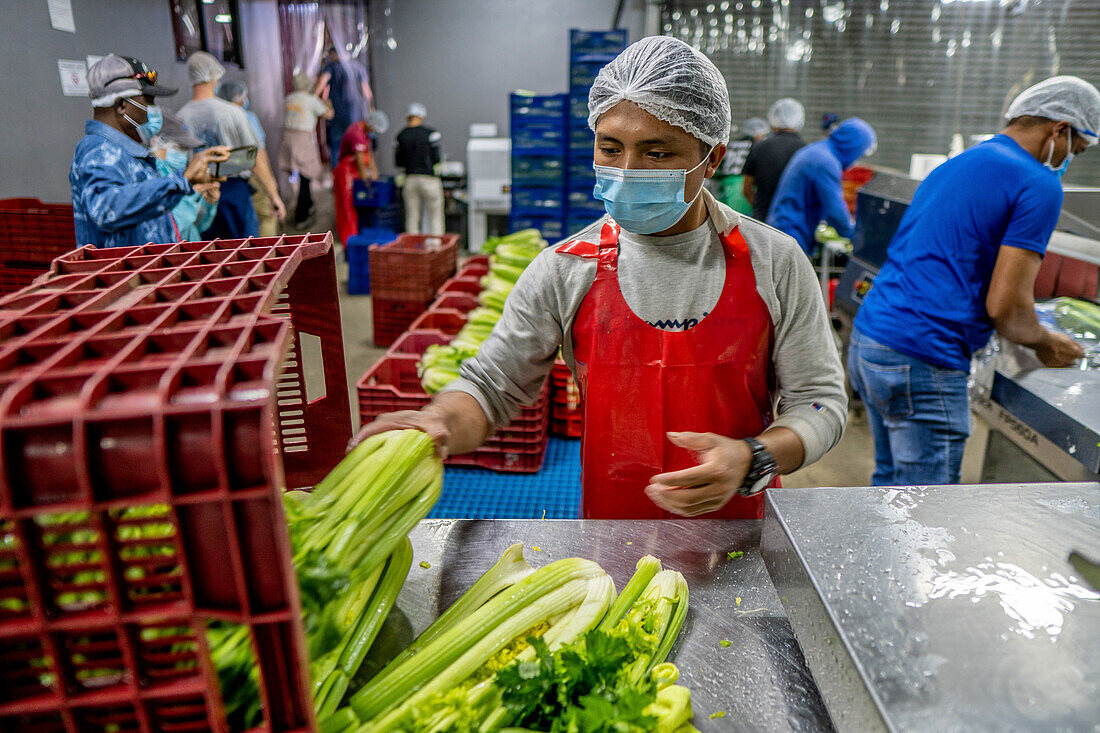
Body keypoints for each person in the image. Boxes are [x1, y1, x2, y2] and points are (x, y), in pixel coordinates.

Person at [356, 37, 847, 520]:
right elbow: (491, 386)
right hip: (612, 532)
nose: (628, 170)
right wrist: (437, 421)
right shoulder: (566, 268)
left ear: (712, 158)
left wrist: (754, 457)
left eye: (657, 154)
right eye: (611, 148)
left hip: (743, 531)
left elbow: (821, 402)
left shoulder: (774, 261)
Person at [850, 76, 1097, 486]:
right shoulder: (1039, 184)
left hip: (872, 340)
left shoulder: (962, 162)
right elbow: (1008, 309)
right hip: (925, 357)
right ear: (1060, 130)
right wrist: (1048, 342)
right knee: (926, 514)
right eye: (1078, 148)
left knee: (892, 491)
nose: (1072, 157)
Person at [70, 54, 227, 248]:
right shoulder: (99, 151)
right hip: (122, 275)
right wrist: (181, 179)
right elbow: (106, 208)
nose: (153, 109)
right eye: (148, 101)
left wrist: (190, 187)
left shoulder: (127, 150)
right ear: (121, 105)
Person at [177, 52, 285, 239]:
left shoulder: (180, 118)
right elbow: (255, 156)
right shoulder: (232, 113)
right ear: (214, 76)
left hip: (197, 196)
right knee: (244, 255)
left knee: (209, 256)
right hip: (233, 192)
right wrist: (273, 194)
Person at [766, 117, 876, 254]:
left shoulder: (818, 150)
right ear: (853, 147)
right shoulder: (826, 163)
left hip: (784, 229)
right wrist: (859, 240)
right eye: (860, 155)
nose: (857, 161)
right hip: (790, 233)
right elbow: (835, 211)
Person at [216, 80, 278, 237]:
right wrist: (272, 187)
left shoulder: (217, 117)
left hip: (226, 182)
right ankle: (267, 258)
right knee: (267, 216)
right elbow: (258, 155)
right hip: (253, 175)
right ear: (238, 98)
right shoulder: (246, 117)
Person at [151, 110, 220, 242]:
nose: (182, 156)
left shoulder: (178, 178)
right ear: (155, 144)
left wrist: (207, 204)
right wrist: (191, 198)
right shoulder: (151, 183)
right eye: (178, 148)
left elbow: (194, 228)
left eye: (185, 150)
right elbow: (168, 231)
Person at [279, 73, 334, 227]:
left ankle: (306, 205)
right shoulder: (312, 101)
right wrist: (326, 102)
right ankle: (301, 216)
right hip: (302, 140)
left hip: (285, 139)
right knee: (306, 176)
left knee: (301, 178)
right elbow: (329, 115)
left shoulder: (289, 98)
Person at [742, 98, 807, 222]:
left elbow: (747, 189)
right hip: (794, 222)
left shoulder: (759, 147)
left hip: (763, 221)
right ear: (800, 119)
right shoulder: (806, 150)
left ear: (774, 119)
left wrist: (760, 209)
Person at [333, 110, 389, 245]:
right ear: (371, 124)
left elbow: (367, 155)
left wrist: (374, 172)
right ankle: (350, 243)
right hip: (345, 173)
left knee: (356, 209)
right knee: (347, 210)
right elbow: (359, 161)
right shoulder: (356, 133)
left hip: (354, 174)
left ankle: (357, 237)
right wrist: (365, 181)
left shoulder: (364, 133)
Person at [314, 47, 372, 166]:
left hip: (339, 115)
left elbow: (322, 82)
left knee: (337, 147)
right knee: (357, 145)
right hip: (357, 115)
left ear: (333, 55)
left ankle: (338, 175)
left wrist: (312, 97)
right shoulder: (358, 67)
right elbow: (367, 92)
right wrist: (370, 108)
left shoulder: (332, 67)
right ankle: (357, 176)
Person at [395, 103, 444, 235]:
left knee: (412, 216)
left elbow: (398, 162)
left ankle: (413, 249)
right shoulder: (431, 134)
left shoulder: (401, 136)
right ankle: (436, 246)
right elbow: (436, 158)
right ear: (422, 116)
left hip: (410, 180)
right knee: (435, 215)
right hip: (429, 179)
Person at [711, 117, 768, 215]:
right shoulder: (759, 147)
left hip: (726, 186)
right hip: (745, 185)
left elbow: (716, 169)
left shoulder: (732, 145)